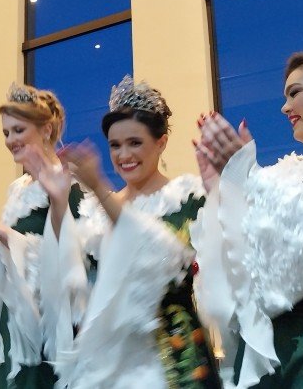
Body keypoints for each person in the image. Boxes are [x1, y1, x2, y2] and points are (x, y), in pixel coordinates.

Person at [192, 26, 303, 388]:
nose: (284, 106)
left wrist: (252, 183)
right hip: (279, 359)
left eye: (295, 92)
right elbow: (236, 276)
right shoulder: (291, 174)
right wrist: (224, 193)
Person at [52, 75, 220, 388]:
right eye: (115, 145)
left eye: (135, 143)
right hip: (110, 364)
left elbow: (163, 258)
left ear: (161, 142)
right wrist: (58, 203)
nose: (124, 155)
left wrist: (98, 187)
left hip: (175, 357)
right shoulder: (94, 213)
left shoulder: (187, 200)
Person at [0, 83, 95, 388]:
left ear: (45, 130)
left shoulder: (67, 182)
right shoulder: (18, 189)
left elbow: (67, 259)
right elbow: (19, 253)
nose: (10, 140)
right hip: (12, 315)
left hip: (46, 325)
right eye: (6, 133)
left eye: (18, 130)